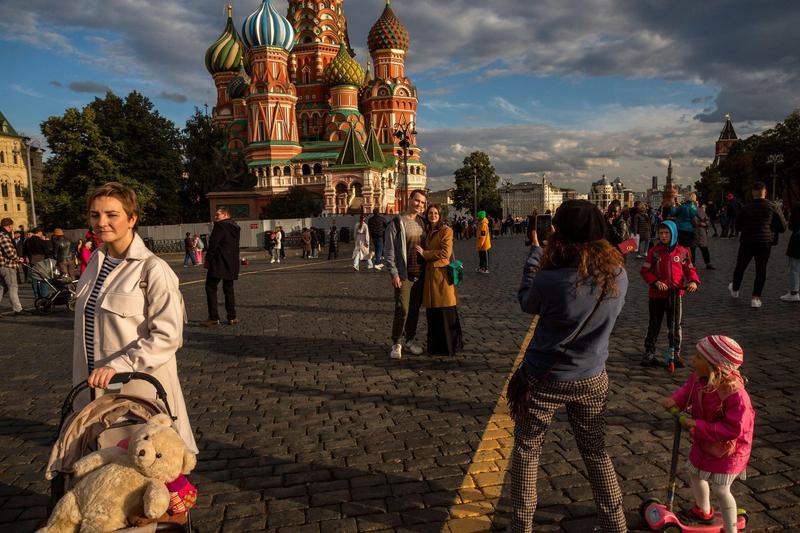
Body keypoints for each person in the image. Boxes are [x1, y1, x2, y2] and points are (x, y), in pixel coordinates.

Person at [508, 200, 627, 533]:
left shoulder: (551, 279)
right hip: (592, 376)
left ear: (559, 234)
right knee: (596, 452)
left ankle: (520, 526)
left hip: (543, 378)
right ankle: (615, 525)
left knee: (527, 451)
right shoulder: (618, 274)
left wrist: (535, 255)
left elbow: (526, 302)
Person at [74, 182, 197, 453]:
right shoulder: (94, 263)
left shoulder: (153, 269)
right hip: (94, 392)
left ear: (132, 219)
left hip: (138, 393)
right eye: (95, 215)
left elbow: (168, 337)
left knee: (145, 465)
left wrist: (121, 364)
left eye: (111, 215)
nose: (101, 222)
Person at [661, 335, 754, 533]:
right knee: (694, 473)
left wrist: (698, 425)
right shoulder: (698, 378)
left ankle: (731, 529)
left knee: (721, 489)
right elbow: (687, 391)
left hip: (730, 450)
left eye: (698, 357)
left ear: (715, 366)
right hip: (704, 441)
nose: (692, 360)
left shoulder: (735, 395)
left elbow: (734, 428)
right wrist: (676, 400)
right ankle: (703, 510)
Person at [640, 221, 699, 367]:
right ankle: (649, 352)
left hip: (675, 295)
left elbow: (690, 269)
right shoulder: (654, 252)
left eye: (667, 233)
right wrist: (655, 282)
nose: (664, 236)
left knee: (675, 326)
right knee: (654, 324)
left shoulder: (683, 252)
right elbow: (645, 271)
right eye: (661, 233)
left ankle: (675, 353)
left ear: (673, 234)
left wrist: (693, 281)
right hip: (657, 295)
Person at [384, 189, 427, 360]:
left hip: (420, 274)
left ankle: (409, 340)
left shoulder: (423, 222)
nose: (419, 204)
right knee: (402, 309)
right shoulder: (396, 223)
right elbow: (389, 251)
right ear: (410, 199)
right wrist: (393, 273)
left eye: (422, 202)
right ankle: (396, 342)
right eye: (417, 200)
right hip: (404, 275)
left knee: (415, 309)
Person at [728, 182, 787, 308]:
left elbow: (737, 226)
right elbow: (782, 227)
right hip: (765, 242)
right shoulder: (773, 206)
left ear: (752, 193)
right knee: (761, 269)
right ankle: (755, 298)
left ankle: (735, 289)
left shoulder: (746, 207)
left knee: (740, 266)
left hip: (747, 241)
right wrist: (770, 228)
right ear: (765, 192)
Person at [416, 204, 463, 356]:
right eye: (430, 213)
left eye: (436, 213)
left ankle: (450, 346)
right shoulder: (428, 231)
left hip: (442, 277)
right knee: (434, 314)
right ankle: (436, 347)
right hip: (431, 277)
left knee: (445, 311)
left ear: (440, 215)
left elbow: (445, 253)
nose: (433, 215)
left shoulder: (446, 230)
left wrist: (425, 254)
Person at [204, 206, 241, 327]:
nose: (215, 217)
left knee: (210, 287)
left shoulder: (220, 226)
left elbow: (213, 244)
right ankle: (232, 316)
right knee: (229, 289)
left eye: (217, 215)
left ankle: (213, 317)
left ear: (225, 215)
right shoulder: (236, 227)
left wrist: (208, 259)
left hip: (218, 262)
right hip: (231, 262)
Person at [0, 217, 26, 315]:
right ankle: (18, 309)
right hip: (7, 265)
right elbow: (10, 252)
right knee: (13, 287)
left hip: (2, 265)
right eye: (12, 226)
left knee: (2, 288)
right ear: (9, 226)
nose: (12, 228)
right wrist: (18, 258)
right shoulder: (4, 236)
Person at [780, 203, 800, 302]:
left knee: (795, 268)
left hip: (798, 240)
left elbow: (792, 225)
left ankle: (794, 293)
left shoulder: (797, 207)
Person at [692, 204, 715, 269]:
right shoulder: (692, 211)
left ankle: (708, 263)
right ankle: (693, 264)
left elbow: (706, 220)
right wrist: (702, 223)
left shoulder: (700, 211)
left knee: (704, 248)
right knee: (693, 249)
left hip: (700, 232)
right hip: (694, 232)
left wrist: (705, 224)